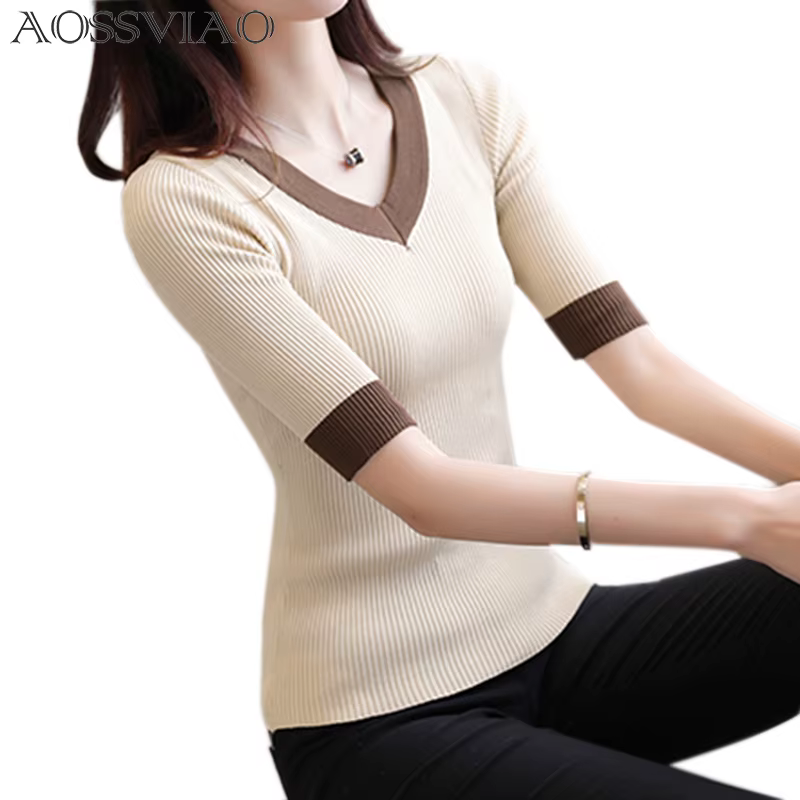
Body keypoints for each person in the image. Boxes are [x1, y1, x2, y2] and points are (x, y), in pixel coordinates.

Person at [80, 1, 800, 797]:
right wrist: (748, 519)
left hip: (554, 634)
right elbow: (422, 489)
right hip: (381, 716)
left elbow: (643, 370)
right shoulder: (187, 197)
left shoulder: (462, 99)